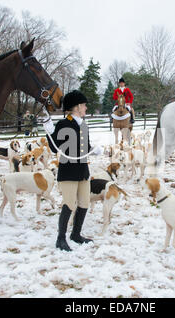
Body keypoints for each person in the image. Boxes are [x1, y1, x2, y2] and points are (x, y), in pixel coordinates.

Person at [43, 90, 101, 251]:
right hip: (68, 171)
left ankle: (76, 234)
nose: (86, 108)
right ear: (76, 107)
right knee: (69, 204)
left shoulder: (83, 124)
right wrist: (49, 131)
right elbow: (54, 146)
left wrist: (94, 149)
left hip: (83, 170)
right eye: (84, 105)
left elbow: (85, 146)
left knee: (84, 202)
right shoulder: (63, 124)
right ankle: (60, 238)